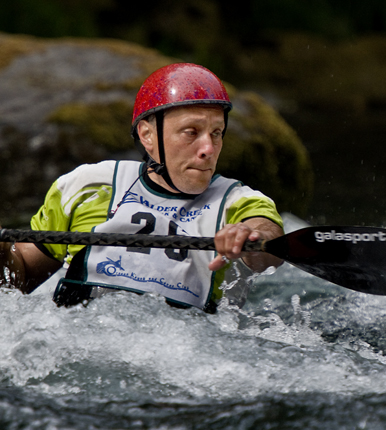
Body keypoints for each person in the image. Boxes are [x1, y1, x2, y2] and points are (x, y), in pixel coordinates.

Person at [0, 63, 284, 313]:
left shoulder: (237, 201)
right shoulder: (87, 185)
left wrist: (248, 236)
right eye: (191, 132)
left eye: (217, 133)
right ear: (148, 135)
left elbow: (268, 245)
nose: (208, 149)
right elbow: (19, 277)